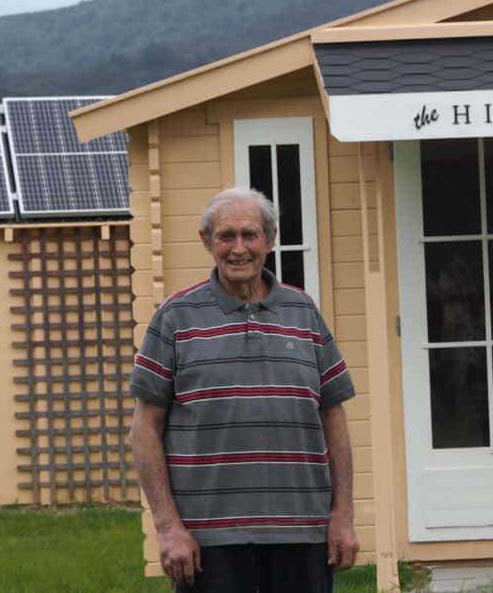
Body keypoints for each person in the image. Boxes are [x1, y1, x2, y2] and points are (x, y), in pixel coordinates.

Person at [130, 187, 359, 592]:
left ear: (269, 240)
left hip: (303, 535)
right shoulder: (174, 319)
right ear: (206, 241)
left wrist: (342, 514)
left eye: (250, 235)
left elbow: (333, 416)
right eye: (226, 236)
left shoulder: (303, 312)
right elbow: (144, 428)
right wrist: (168, 528)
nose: (239, 248)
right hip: (207, 541)